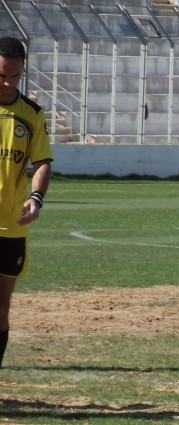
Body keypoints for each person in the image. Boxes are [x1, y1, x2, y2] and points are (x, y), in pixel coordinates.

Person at [0, 36, 53, 367]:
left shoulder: (32, 114)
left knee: (1, 307)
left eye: (15, 76)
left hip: (11, 225)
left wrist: (36, 198)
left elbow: (42, 161)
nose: (8, 83)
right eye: (1, 75)